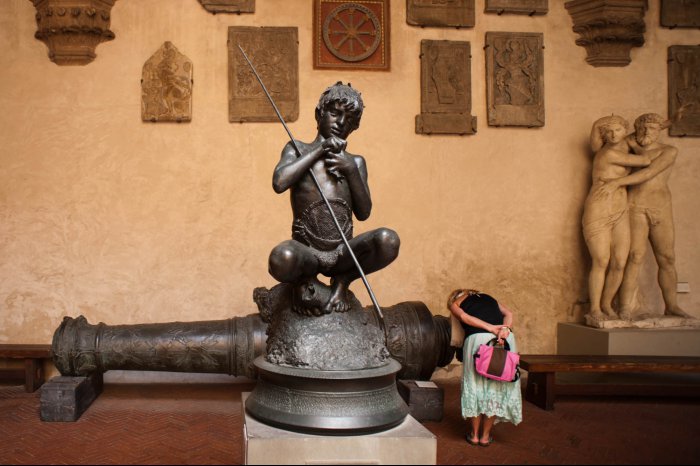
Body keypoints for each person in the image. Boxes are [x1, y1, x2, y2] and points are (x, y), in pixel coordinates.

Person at [268, 82, 400, 315]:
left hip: (342, 252)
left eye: (349, 119)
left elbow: (364, 212)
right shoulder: (297, 148)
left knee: (388, 240)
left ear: (355, 127)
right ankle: (303, 282)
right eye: (335, 113)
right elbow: (279, 182)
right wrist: (320, 150)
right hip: (307, 250)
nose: (340, 122)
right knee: (282, 257)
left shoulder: (355, 162)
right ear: (319, 114)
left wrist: (350, 170)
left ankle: (342, 282)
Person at [595, 113, 690, 319]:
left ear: (659, 132)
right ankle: (625, 307)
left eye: (653, 129)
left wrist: (617, 182)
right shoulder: (628, 147)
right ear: (636, 130)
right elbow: (614, 139)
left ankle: (671, 305)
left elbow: (648, 172)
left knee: (667, 257)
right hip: (635, 206)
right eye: (642, 128)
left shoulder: (668, 151)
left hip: (661, 206)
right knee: (634, 256)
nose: (647, 132)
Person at [583, 115, 651, 322]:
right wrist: (633, 142)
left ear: (624, 130)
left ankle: (607, 303)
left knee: (620, 262)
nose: (612, 135)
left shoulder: (620, 149)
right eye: (608, 132)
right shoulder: (608, 153)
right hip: (599, 209)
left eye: (617, 131)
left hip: (620, 210)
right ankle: (595, 308)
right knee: (602, 260)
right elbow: (646, 160)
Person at [447, 289, 522, 447]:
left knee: (475, 385)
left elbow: (463, 317)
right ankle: (485, 436)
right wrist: (505, 329)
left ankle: (474, 435)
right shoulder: (490, 297)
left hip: (478, 338)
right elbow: (508, 313)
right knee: (497, 385)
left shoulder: (457, 302)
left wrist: (491, 328)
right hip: (504, 339)